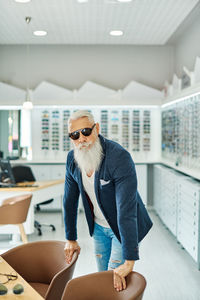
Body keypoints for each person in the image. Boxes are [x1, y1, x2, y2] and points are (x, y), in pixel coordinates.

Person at [63, 110, 153, 292]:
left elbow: (126, 209)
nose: (81, 139)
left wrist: (130, 259)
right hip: (98, 228)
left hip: (123, 228)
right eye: (74, 135)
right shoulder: (72, 160)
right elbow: (69, 200)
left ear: (97, 128)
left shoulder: (118, 157)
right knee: (102, 276)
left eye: (86, 132)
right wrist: (70, 238)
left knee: (115, 281)